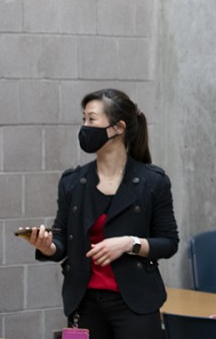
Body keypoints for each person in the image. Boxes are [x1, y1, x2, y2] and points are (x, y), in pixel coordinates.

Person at [23, 89, 179, 338]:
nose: (85, 127)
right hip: (84, 304)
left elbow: (169, 243)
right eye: (83, 119)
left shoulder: (152, 181)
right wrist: (48, 247)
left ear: (118, 127)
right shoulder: (72, 182)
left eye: (92, 119)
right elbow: (63, 240)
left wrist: (129, 243)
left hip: (135, 303)